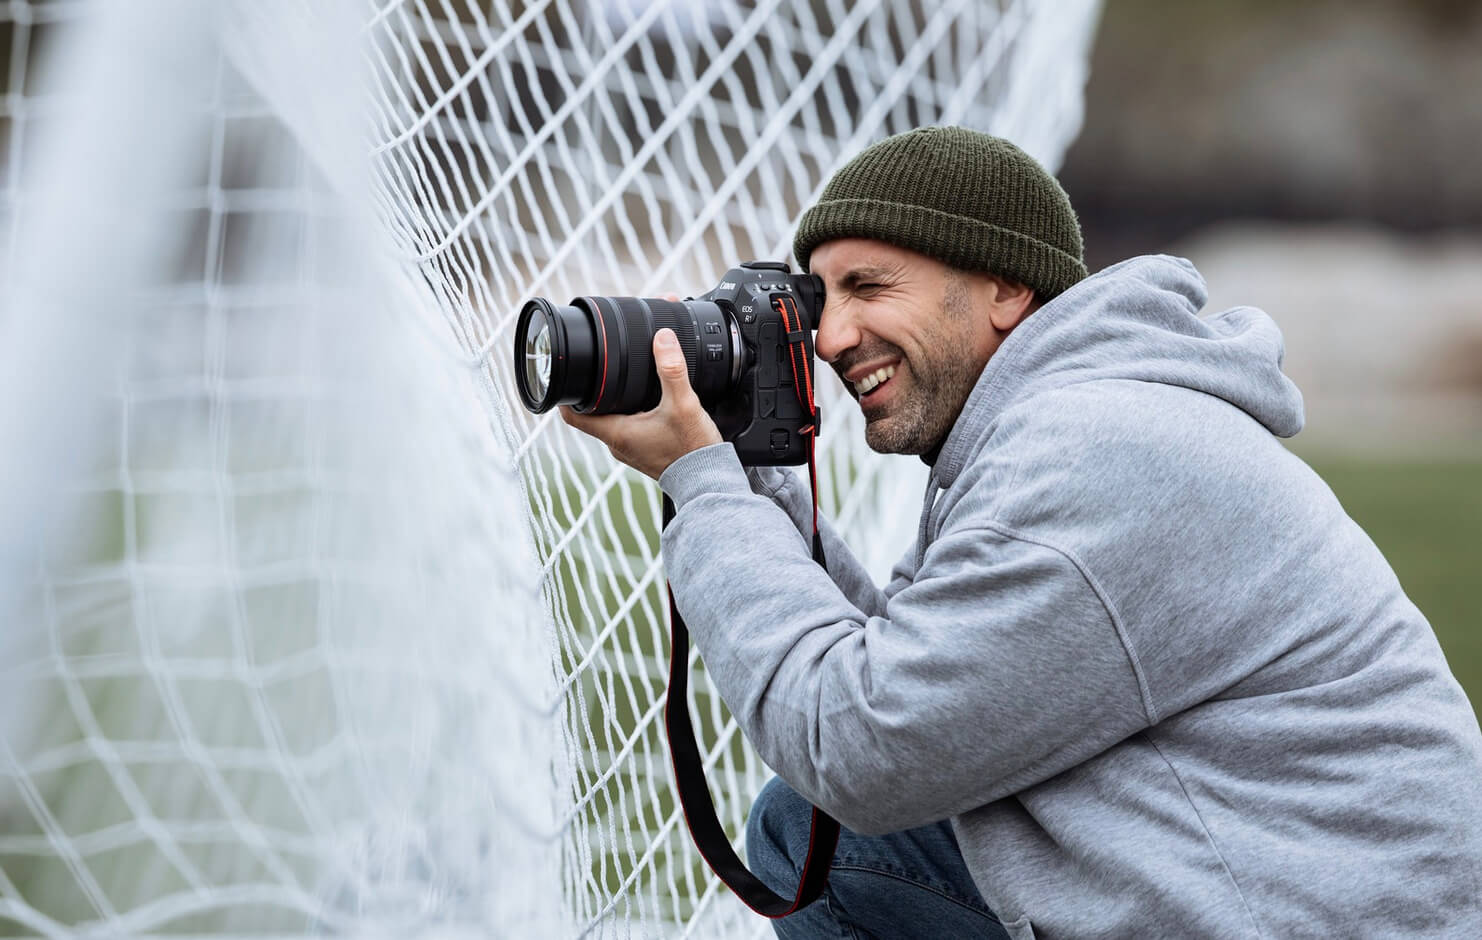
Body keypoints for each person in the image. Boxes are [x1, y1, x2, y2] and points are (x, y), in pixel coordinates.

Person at [561, 126, 1482, 938]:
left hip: (1331, 917)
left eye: (869, 287)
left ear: (1004, 287)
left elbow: (860, 747)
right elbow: (915, 672)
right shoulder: (1064, 425)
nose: (831, 338)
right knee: (815, 834)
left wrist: (702, 488)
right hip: (1289, 888)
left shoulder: (1095, 455)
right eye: (820, 300)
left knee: (820, 838)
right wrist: (742, 469)